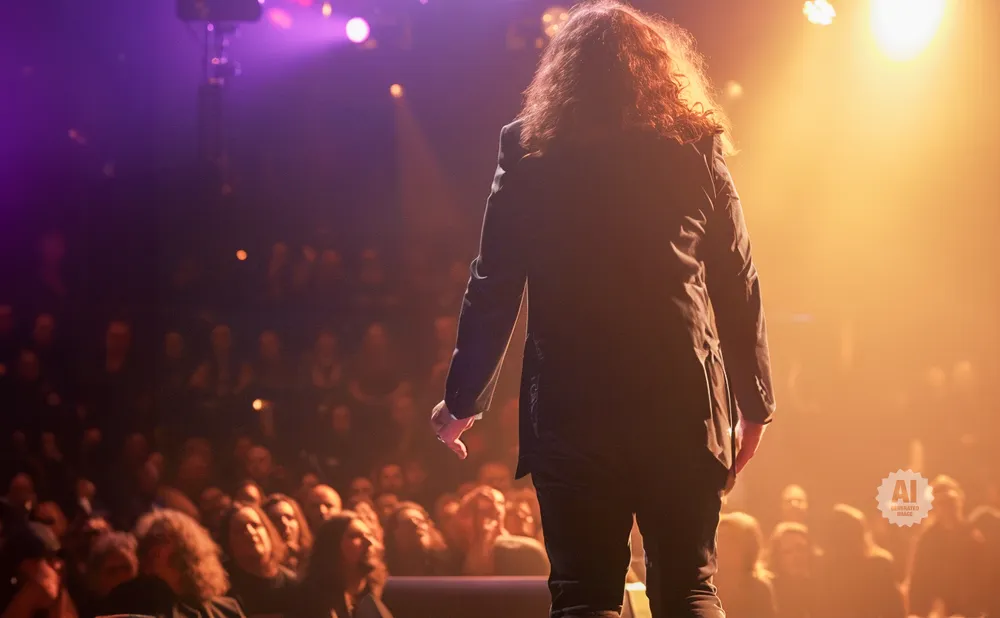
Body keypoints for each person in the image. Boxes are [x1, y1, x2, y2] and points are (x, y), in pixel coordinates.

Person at [429, 2, 775, 616]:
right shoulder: (694, 146)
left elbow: (494, 281)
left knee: (584, 596)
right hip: (682, 401)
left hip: (573, 407)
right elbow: (737, 278)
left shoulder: (529, 149)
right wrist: (754, 405)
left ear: (563, 75)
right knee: (690, 588)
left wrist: (462, 402)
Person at [98, 509, 244, 618]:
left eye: (159, 539)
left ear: (185, 547)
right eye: (147, 542)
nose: (150, 548)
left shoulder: (226, 610)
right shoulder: (126, 601)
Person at [296, 511, 392, 618]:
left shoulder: (381, 596)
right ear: (332, 546)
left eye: (370, 535)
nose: (369, 542)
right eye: (355, 536)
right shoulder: (310, 601)